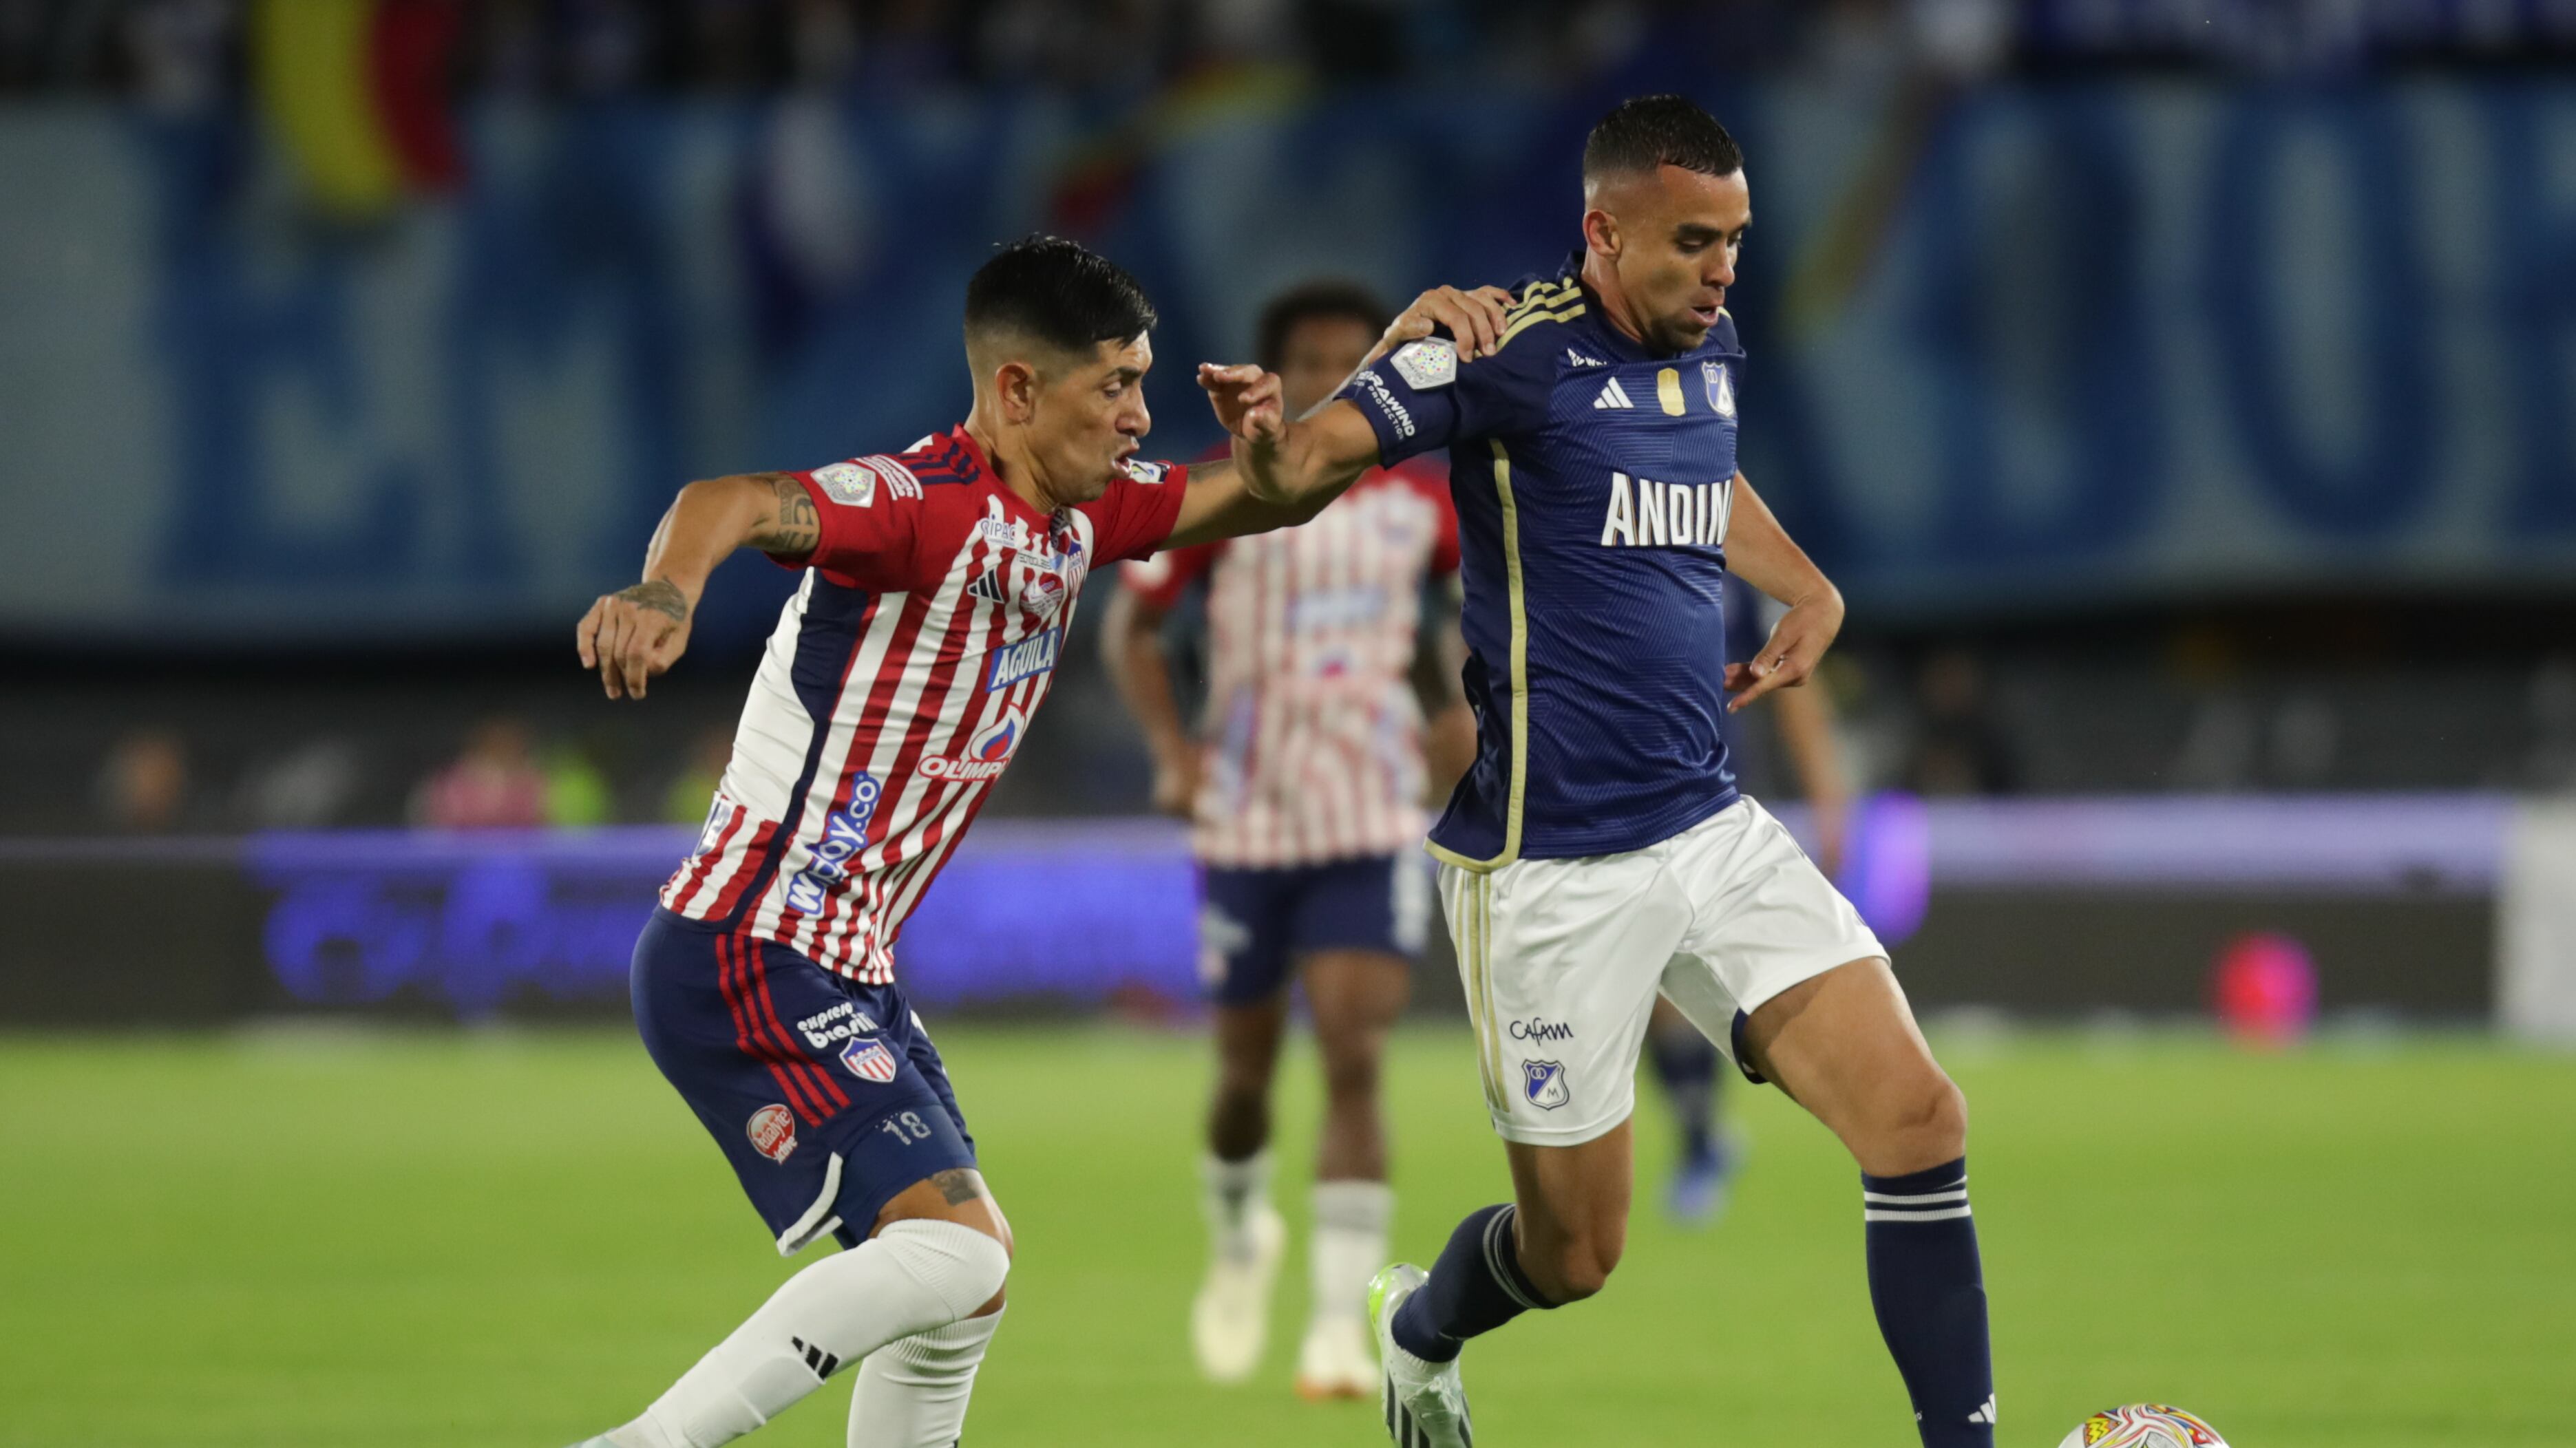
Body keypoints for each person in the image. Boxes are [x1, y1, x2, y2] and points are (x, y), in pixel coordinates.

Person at [1218, 96, 1996, 1447]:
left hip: (1709, 823)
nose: (1720, 269)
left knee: (1919, 1116)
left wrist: (1803, 584)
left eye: (1736, 241)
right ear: (1602, 231)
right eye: (1690, 240)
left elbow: (1701, 464)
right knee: (1573, 1251)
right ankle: (1417, 1336)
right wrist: (1291, 419)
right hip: (1549, 868)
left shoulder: (1709, 341)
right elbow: (1299, 473)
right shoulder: (1496, 352)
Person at [560, 235, 1385, 1448]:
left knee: (964, 1284)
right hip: (754, 938)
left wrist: (1363, 379)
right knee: (951, 1245)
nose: (1136, 416)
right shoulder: (919, 506)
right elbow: (728, 500)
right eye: (1113, 385)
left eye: (1141, 382)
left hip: (843, 958)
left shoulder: (1082, 516)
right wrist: (670, 589)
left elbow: (1271, 491)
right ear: (1014, 391)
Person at [1101, 281, 1475, 1399]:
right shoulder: (1229, 502)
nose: (1330, 381)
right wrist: (1173, 751)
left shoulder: (1422, 511)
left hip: (1367, 813)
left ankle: (1333, 1324)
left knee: (1357, 1054)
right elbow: (1132, 628)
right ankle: (1237, 1236)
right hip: (1249, 817)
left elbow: (1440, 650)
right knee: (1244, 1078)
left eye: (1350, 361)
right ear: (1275, 374)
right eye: (1308, 360)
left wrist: (1457, 731)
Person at [1646, 571, 1854, 1224]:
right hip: (1622, 806)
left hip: (1714, 806)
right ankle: (1701, 1135)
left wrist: (1827, 799)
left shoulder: (1727, 575)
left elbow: (1793, 685)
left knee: (1681, 979)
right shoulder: (1606, 544)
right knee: (1647, 992)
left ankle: (1702, 1140)